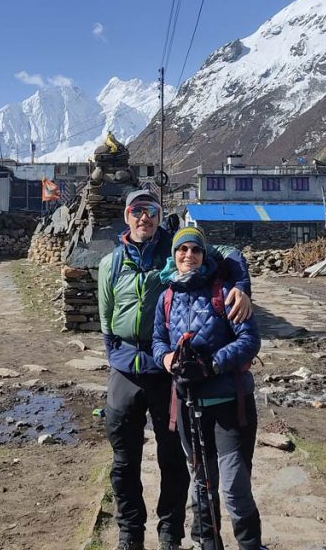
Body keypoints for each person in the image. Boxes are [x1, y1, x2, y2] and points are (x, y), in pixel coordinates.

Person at [98, 189, 253, 550]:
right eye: (137, 211)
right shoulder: (112, 262)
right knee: (123, 460)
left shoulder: (178, 251)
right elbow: (105, 316)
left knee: (174, 459)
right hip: (125, 368)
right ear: (127, 216)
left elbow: (230, 255)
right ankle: (130, 534)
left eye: (151, 211)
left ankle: (170, 535)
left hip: (167, 371)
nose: (144, 218)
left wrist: (242, 288)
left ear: (158, 215)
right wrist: (114, 353)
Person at [153, 226, 265, 550]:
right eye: (182, 250)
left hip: (230, 404)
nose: (188, 255)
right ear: (174, 255)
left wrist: (213, 364)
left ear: (204, 255)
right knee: (201, 484)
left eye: (195, 250)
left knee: (232, 486)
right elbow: (158, 341)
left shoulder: (226, 291)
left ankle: (250, 545)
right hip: (189, 405)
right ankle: (207, 544)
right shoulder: (167, 296)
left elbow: (249, 340)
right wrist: (168, 359)